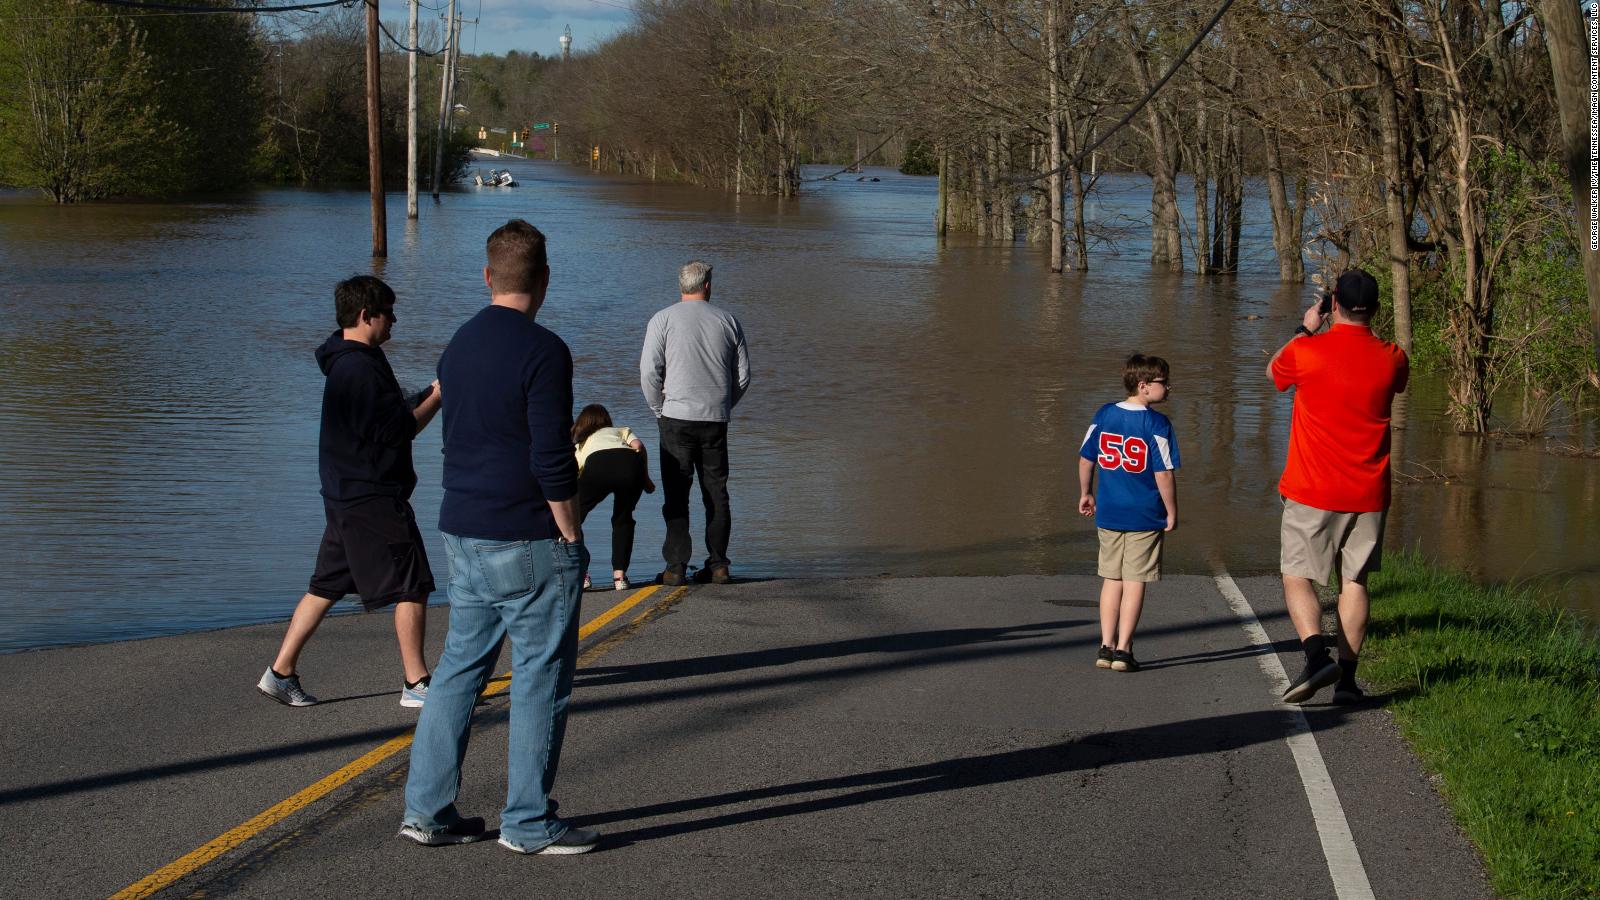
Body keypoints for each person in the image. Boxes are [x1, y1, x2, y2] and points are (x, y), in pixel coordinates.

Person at [399, 219, 599, 855]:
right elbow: (551, 458)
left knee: (458, 671)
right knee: (540, 677)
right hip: (527, 536)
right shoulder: (545, 350)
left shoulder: (456, 346)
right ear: (544, 279)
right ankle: (528, 823)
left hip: (463, 528)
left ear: (487, 276)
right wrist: (571, 535)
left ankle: (426, 812)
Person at [257, 275, 442, 709]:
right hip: (370, 495)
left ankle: (280, 672)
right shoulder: (358, 368)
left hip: (344, 493)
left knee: (326, 584)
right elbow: (399, 430)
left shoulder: (353, 358)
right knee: (412, 583)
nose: (394, 321)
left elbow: (388, 415)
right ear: (365, 316)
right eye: (388, 313)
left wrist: (423, 395)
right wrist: (438, 397)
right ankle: (417, 684)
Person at [1268, 268, 1408, 704]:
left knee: (1297, 574)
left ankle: (1315, 656)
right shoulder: (1393, 357)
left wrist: (1304, 329)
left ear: (1333, 305)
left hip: (1313, 488)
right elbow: (1393, 384)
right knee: (1355, 581)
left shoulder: (1308, 352)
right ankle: (1347, 681)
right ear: (1378, 309)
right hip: (1368, 492)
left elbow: (1273, 371)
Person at [640, 260, 751, 586]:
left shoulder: (662, 319)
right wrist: (722, 404)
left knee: (676, 494)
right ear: (707, 286)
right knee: (716, 493)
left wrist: (658, 409)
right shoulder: (728, 321)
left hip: (675, 417)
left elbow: (649, 373)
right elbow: (743, 376)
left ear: (681, 286)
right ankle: (718, 565)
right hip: (714, 419)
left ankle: (675, 566)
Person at [1077, 354, 1180, 673]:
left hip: (1108, 511)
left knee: (1111, 579)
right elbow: (1163, 474)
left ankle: (1105, 646)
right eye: (1164, 383)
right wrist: (1172, 512)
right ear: (1144, 386)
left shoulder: (1104, 413)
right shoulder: (1157, 424)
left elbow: (1085, 459)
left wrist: (1086, 492)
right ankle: (1124, 649)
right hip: (1144, 515)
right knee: (1135, 581)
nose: (1169, 388)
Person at [573, 404, 656, 591]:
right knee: (623, 519)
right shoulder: (621, 430)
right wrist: (645, 478)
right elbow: (639, 446)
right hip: (630, 465)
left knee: (573, 520)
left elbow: (577, 472)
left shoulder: (582, 443)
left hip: (596, 465)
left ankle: (583, 575)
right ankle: (620, 578)